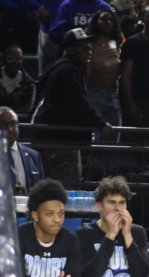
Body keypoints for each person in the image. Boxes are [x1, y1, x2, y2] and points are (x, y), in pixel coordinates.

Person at [32, 28, 112, 182]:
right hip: (59, 141)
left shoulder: (67, 67)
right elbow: (79, 104)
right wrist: (100, 124)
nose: (89, 52)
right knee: (64, 186)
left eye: (90, 48)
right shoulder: (67, 70)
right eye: (84, 49)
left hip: (59, 139)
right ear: (71, 50)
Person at [85, 9, 122, 135]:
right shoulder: (88, 44)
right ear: (96, 22)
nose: (108, 23)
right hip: (93, 93)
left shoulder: (116, 43)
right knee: (94, 134)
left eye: (111, 20)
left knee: (113, 135)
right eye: (104, 19)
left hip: (112, 94)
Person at [0, 107, 45, 194]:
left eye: (13, 123)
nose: (9, 129)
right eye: (3, 124)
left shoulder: (34, 156)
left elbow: (42, 192)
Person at [0, 44, 35, 116]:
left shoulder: (28, 83)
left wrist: (10, 115)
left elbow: (28, 107)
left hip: (19, 119)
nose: (15, 62)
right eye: (10, 58)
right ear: (4, 60)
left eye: (18, 59)